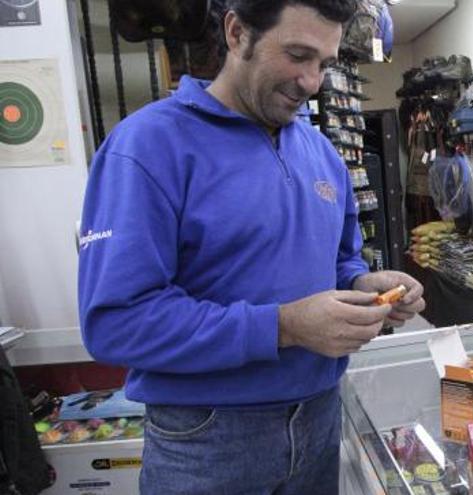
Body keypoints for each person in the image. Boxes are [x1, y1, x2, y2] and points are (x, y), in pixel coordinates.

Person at [77, 1, 425, 493]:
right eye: (297, 55)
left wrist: (364, 284)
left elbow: (341, 259)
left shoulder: (321, 153)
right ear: (237, 33)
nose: (311, 82)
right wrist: (283, 326)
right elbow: (116, 323)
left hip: (322, 419)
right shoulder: (147, 146)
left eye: (324, 64)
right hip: (208, 442)